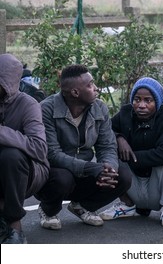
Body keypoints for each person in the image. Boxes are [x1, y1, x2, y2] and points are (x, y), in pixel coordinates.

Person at [36, 64, 132, 230]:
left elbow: (107, 146)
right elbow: (52, 154)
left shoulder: (99, 107)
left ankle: (83, 206)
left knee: (122, 175)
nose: (96, 89)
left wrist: (108, 169)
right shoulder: (46, 109)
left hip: (84, 173)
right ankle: (48, 210)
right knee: (62, 179)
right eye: (90, 85)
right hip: (55, 173)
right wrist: (91, 168)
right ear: (75, 92)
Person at [99, 77, 163, 227]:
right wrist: (119, 138)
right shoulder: (125, 113)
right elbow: (105, 130)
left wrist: (131, 157)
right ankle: (127, 205)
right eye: (137, 99)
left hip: (156, 186)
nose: (141, 105)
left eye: (148, 100)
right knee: (107, 153)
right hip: (133, 184)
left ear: (157, 102)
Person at [0, 54, 49, 244]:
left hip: (28, 172)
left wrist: (2, 133)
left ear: (9, 82)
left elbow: (39, 149)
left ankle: (15, 226)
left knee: (11, 156)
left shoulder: (29, 105)